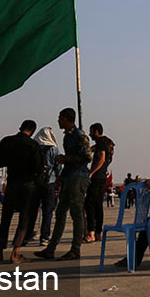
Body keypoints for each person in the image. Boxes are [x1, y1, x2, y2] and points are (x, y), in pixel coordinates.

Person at [35, 108, 91, 261]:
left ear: (66, 119)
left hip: (78, 177)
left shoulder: (80, 136)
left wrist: (67, 159)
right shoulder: (67, 137)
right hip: (69, 177)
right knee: (60, 213)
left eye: (60, 118)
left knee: (76, 213)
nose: (58, 121)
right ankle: (51, 248)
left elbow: (87, 157)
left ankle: (75, 249)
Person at [0, 120, 43, 264]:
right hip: (28, 186)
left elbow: (1, 163)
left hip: (12, 184)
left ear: (20, 127)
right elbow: (38, 167)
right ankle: (16, 252)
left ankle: (0, 252)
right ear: (32, 131)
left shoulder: (6, 142)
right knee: (24, 219)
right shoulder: (33, 145)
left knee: (5, 219)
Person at [24, 126, 62, 245]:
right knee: (48, 211)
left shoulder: (32, 148)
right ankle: (45, 237)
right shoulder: (54, 150)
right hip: (49, 183)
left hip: (34, 184)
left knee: (32, 211)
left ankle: (27, 235)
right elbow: (58, 168)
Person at [83, 123, 115, 243]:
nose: (90, 134)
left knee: (89, 204)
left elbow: (101, 158)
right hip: (103, 177)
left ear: (96, 131)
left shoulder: (101, 142)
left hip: (97, 177)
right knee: (97, 205)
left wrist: (91, 172)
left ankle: (91, 233)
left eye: (91, 132)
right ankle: (97, 233)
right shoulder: (107, 142)